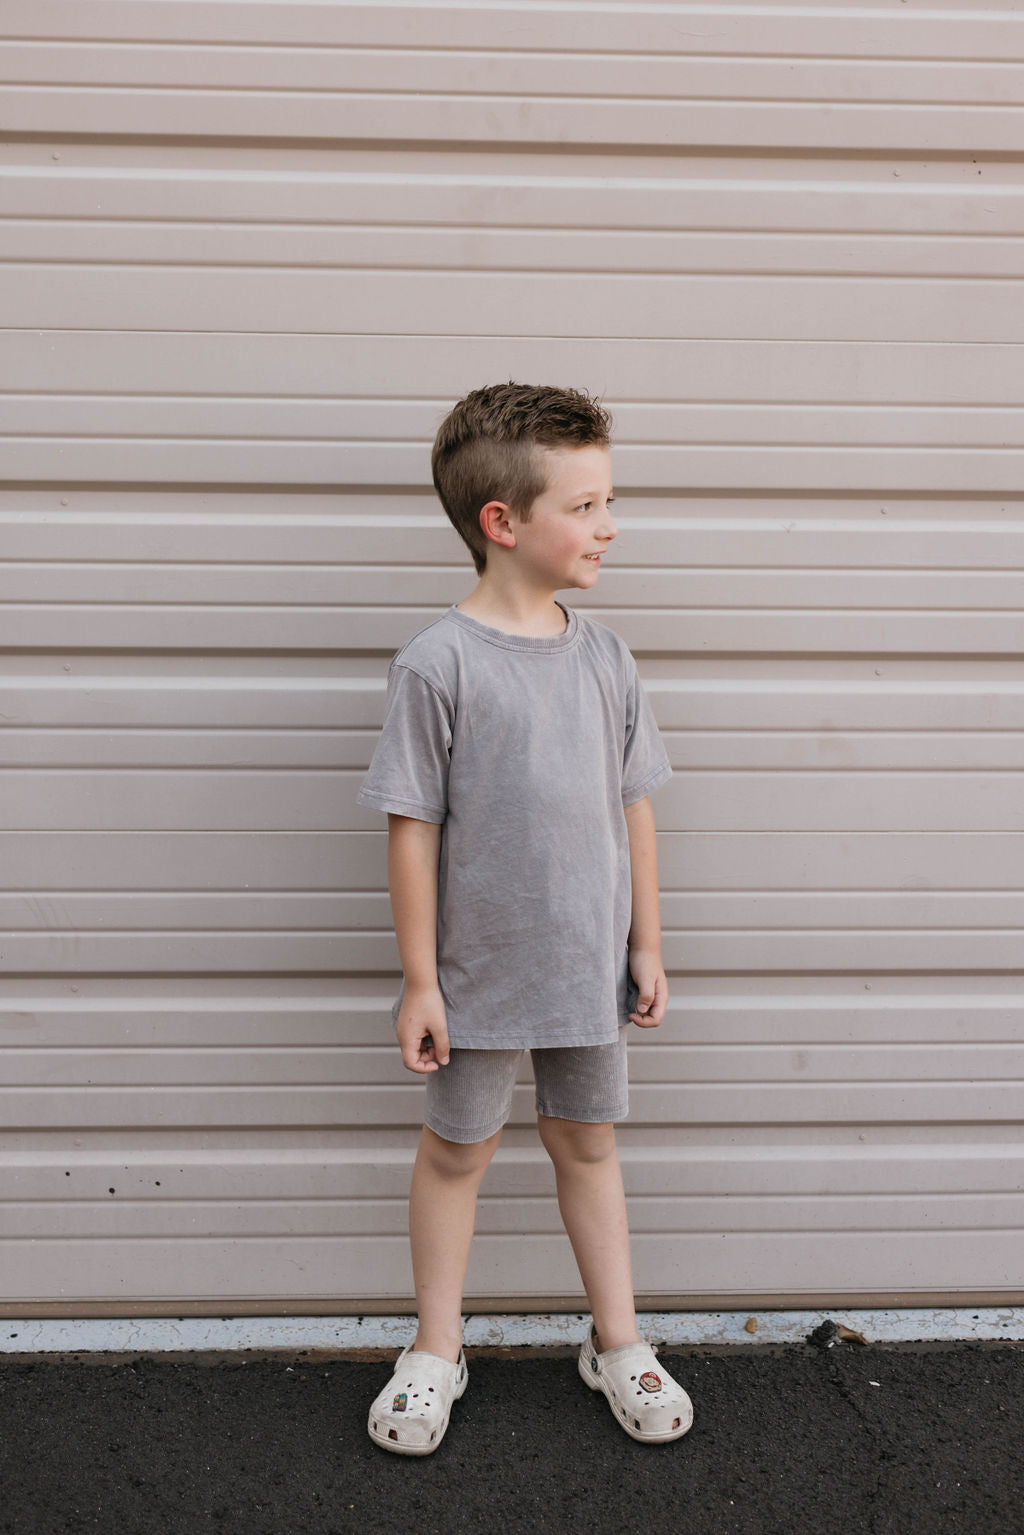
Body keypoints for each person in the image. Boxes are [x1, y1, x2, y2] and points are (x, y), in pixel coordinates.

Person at [356, 381, 692, 1454]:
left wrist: (645, 939)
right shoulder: (438, 663)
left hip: (589, 966)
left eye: (607, 500)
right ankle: (435, 1346)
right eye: (585, 505)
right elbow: (412, 826)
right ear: (503, 523)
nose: (609, 524)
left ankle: (617, 1338)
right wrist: (421, 979)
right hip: (476, 976)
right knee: (456, 1151)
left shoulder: (606, 659)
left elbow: (629, 803)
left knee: (587, 1142)